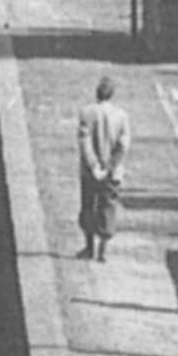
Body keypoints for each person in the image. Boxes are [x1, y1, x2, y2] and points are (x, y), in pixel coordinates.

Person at [77, 75, 130, 262]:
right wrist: (109, 167)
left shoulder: (86, 112)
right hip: (112, 173)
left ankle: (88, 248)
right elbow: (123, 146)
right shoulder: (122, 116)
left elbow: (85, 142)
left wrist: (94, 166)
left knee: (88, 206)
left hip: (89, 172)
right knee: (108, 208)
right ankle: (103, 251)